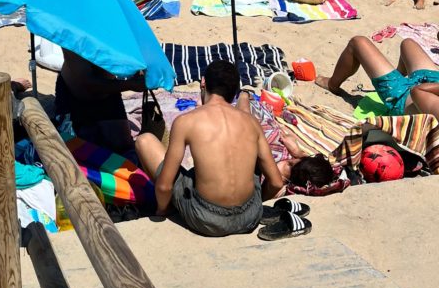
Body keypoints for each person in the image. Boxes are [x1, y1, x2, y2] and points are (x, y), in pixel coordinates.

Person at [135, 61, 283, 236]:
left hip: (206, 219)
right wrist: (256, 203)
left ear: (203, 83)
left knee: (144, 141)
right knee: (255, 161)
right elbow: (276, 182)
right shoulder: (251, 122)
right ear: (235, 91)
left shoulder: (186, 122)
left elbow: (164, 187)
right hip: (250, 217)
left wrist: (162, 211)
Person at [316, 36, 439, 118]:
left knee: (358, 42)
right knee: (408, 43)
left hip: (404, 96)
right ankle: (396, 76)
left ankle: (332, 84)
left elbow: (417, 91)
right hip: (430, 84)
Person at [55, 49, 145, 153]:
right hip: (76, 96)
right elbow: (87, 83)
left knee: (122, 146)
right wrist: (130, 85)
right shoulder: (75, 36)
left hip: (108, 92)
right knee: (81, 148)